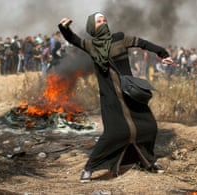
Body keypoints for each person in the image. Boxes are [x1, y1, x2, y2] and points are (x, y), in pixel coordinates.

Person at [58, 12, 173, 183]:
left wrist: (163, 54)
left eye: (104, 20)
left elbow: (143, 43)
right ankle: (90, 168)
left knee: (148, 126)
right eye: (99, 21)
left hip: (130, 92)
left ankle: (147, 161)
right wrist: (64, 28)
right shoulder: (91, 45)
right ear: (92, 27)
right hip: (110, 96)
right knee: (114, 133)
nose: (103, 23)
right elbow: (73, 39)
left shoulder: (119, 38)